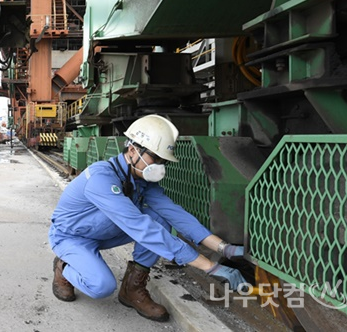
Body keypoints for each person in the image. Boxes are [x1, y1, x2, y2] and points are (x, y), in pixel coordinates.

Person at [49, 114, 248, 322]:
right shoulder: (101, 179)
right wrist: (210, 267)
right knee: (101, 286)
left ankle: (132, 289)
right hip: (71, 237)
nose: (159, 166)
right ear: (133, 150)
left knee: (161, 216)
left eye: (163, 161)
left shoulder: (141, 181)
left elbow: (175, 213)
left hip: (103, 233)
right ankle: (63, 267)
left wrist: (224, 248)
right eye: (155, 157)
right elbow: (139, 227)